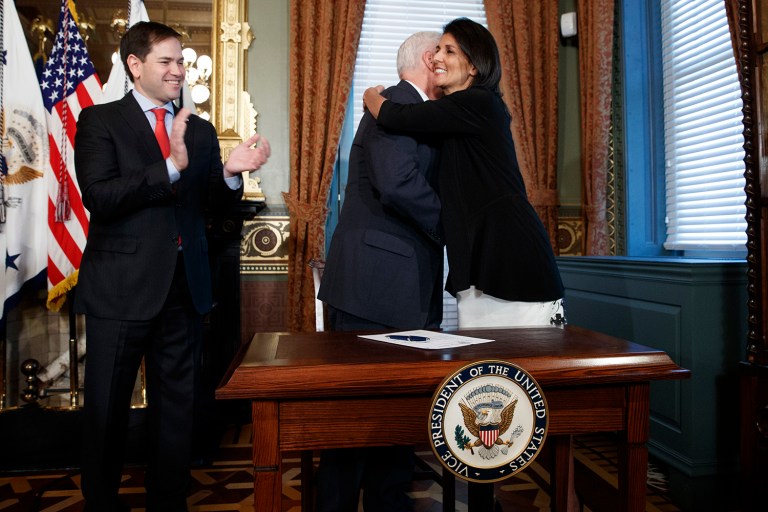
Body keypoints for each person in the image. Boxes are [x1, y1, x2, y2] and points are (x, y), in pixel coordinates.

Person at [73, 21, 270, 512]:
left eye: (181, 60)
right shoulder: (99, 122)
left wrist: (229, 172)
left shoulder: (199, 130)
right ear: (135, 66)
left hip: (184, 288)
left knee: (176, 408)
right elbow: (101, 197)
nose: (179, 70)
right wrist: (170, 166)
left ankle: (168, 501)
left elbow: (212, 208)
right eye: (167, 61)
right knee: (106, 409)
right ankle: (99, 501)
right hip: (120, 288)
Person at [363, 17, 565, 329]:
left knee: (522, 370)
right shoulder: (458, 113)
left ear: (474, 66)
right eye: (437, 50)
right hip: (479, 261)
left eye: (449, 51)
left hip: (510, 258)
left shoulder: (479, 101)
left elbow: (396, 115)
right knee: (484, 371)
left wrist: (372, 96)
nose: (437, 58)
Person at [315, 31, 443, 512]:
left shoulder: (405, 109)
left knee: (391, 419)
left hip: (390, 287)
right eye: (447, 55)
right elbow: (398, 185)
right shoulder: (393, 105)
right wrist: (454, 223)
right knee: (357, 423)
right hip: (376, 288)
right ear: (430, 59)